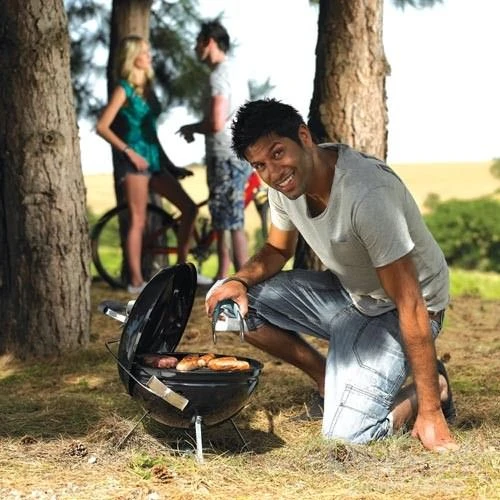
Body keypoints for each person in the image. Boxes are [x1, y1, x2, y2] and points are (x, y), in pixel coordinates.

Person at [206, 98, 459, 452]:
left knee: (347, 439)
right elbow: (277, 249)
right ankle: (327, 380)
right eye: (260, 165)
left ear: (304, 137)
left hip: (408, 309)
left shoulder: (367, 193)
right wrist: (238, 281)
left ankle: (433, 388)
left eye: (278, 154)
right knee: (233, 304)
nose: (273, 173)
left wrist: (430, 411)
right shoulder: (283, 187)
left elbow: (410, 301)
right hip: (352, 295)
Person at [96, 35, 205, 293]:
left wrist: (170, 165)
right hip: (133, 162)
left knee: (189, 209)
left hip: (154, 161)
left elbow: (152, 134)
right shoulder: (123, 89)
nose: (149, 56)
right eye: (144, 52)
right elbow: (102, 127)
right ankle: (135, 282)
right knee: (138, 220)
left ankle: (181, 272)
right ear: (133, 57)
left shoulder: (148, 88)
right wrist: (129, 152)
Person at [178, 20, 252, 280]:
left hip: (224, 155)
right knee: (228, 219)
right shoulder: (235, 71)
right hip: (238, 153)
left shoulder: (218, 76)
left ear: (209, 42)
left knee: (229, 221)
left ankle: (242, 280)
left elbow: (216, 123)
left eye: (197, 42)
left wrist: (191, 128)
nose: (194, 48)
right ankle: (225, 278)